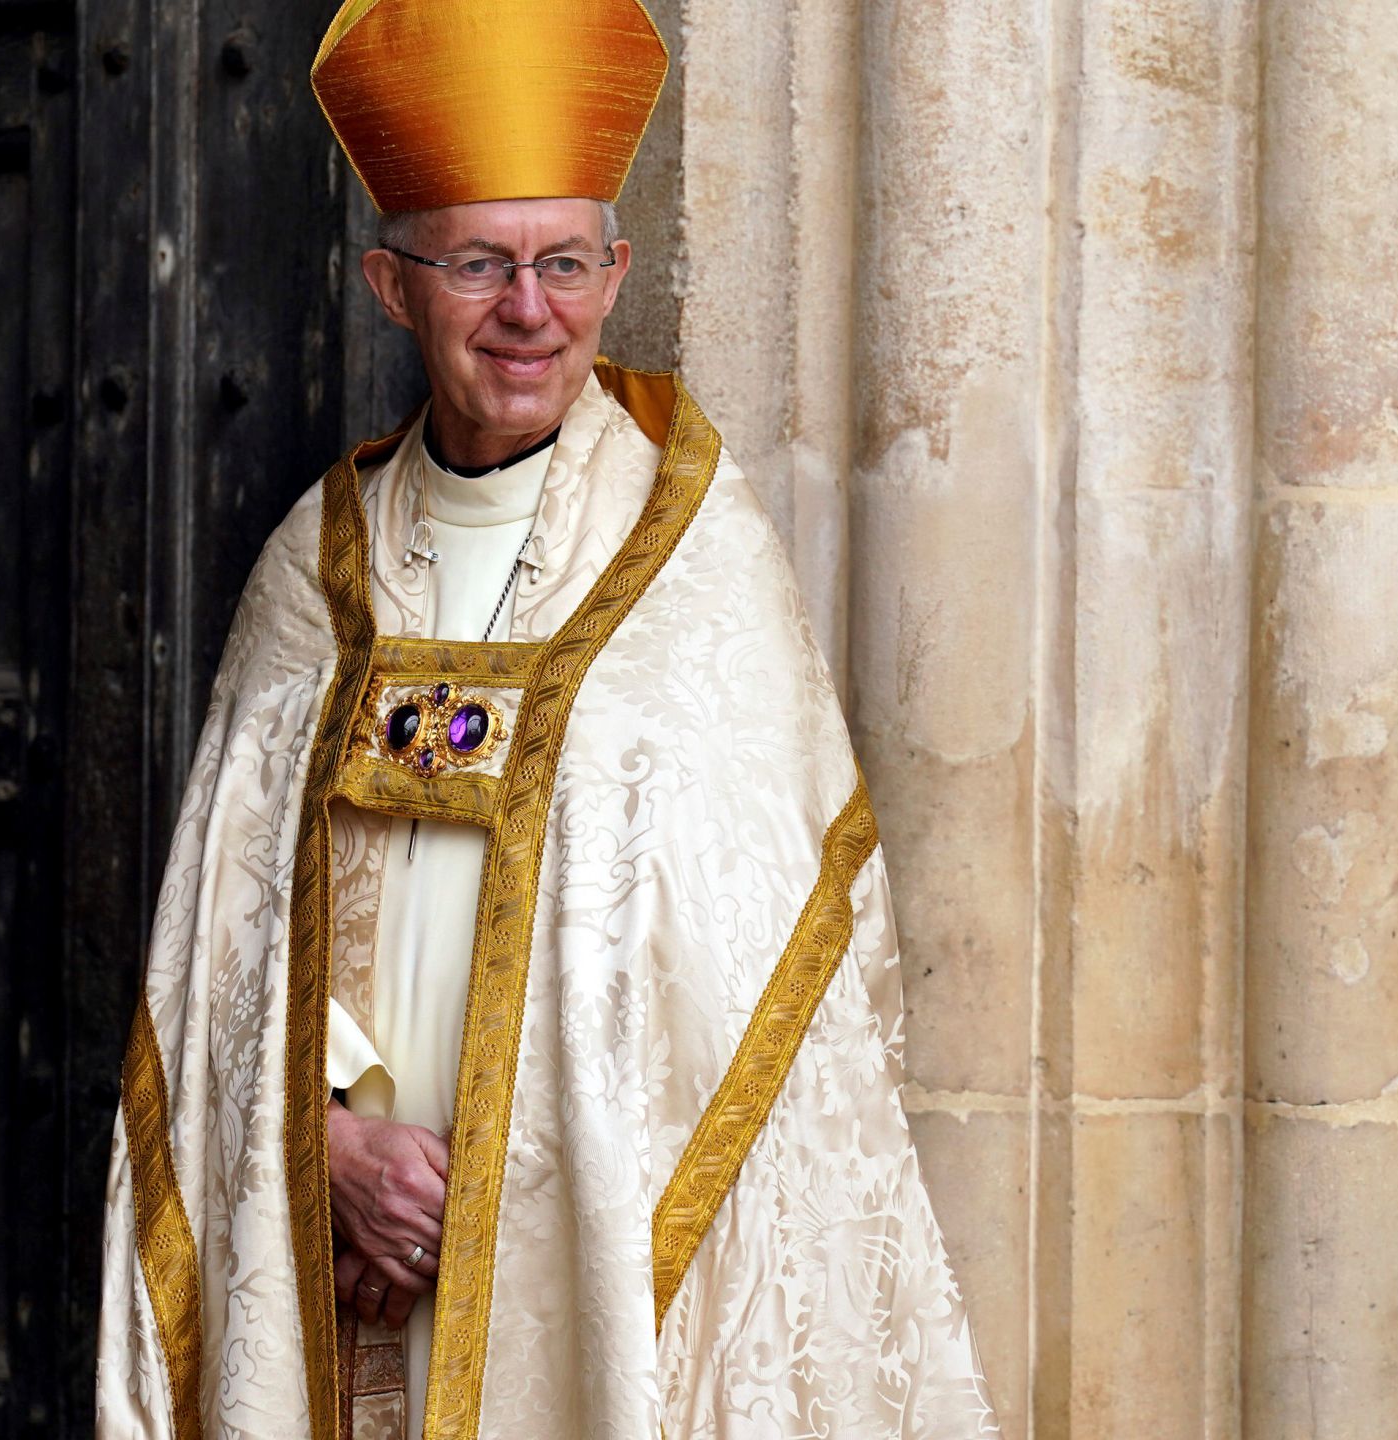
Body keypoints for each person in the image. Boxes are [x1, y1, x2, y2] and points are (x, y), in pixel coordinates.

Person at [94, 1, 998, 1435]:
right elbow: (226, 942)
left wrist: (525, 1168)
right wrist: (324, 1145)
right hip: (342, 1261)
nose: (534, 310)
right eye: (481, 264)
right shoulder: (310, 569)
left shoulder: (694, 557)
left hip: (588, 1255)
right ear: (395, 288)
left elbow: (764, 974)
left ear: (617, 270)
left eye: (568, 262)